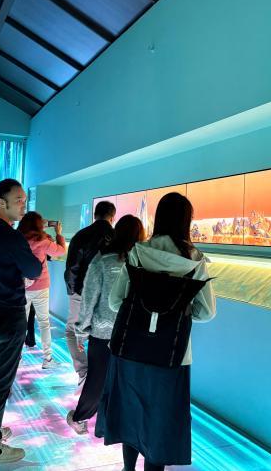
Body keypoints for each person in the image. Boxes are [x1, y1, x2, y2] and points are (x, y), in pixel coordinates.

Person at [96, 193, 216, 471]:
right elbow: (207, 312)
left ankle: (128, 468)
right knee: (160, 420)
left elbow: (115, 301)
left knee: (130, 411)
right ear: (187, 221)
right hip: (172, 355)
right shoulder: (195, 261)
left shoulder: (138, 252)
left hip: (130, 348)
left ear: (158, 218)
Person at [0, 179, 42, 464]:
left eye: (24, 199)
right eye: (18, 200)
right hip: (7, 316)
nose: (24, 205)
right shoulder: (10, 236)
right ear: (1, 202)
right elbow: (33, 269)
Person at [66, 215, 146, 435]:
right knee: (126, 380)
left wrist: (81, 331)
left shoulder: (103, 261)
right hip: (133, 332)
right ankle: (118, 424)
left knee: (97, 379)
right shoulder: (144, 263)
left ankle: (80, 418)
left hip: (103, 331)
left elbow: (89, 298)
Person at [64, 200, 115, 385]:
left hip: (81, 292)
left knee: (72, 332)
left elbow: (72, 267)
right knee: (103, 334)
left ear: (95, 214)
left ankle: (84, 372)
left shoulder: (81, 235)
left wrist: (72, 291)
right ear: (112, 217)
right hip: (108, 296)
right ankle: (105, 375)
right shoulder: (116, 236)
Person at [17, 211, 66, 369]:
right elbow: (61, 251)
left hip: (22, 286)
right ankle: (47, 359)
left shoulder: (18, 239)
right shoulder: (42, 240)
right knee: (44, 323)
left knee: (21, 323)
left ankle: (17, 358)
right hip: (41, 286)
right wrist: (58, 233)